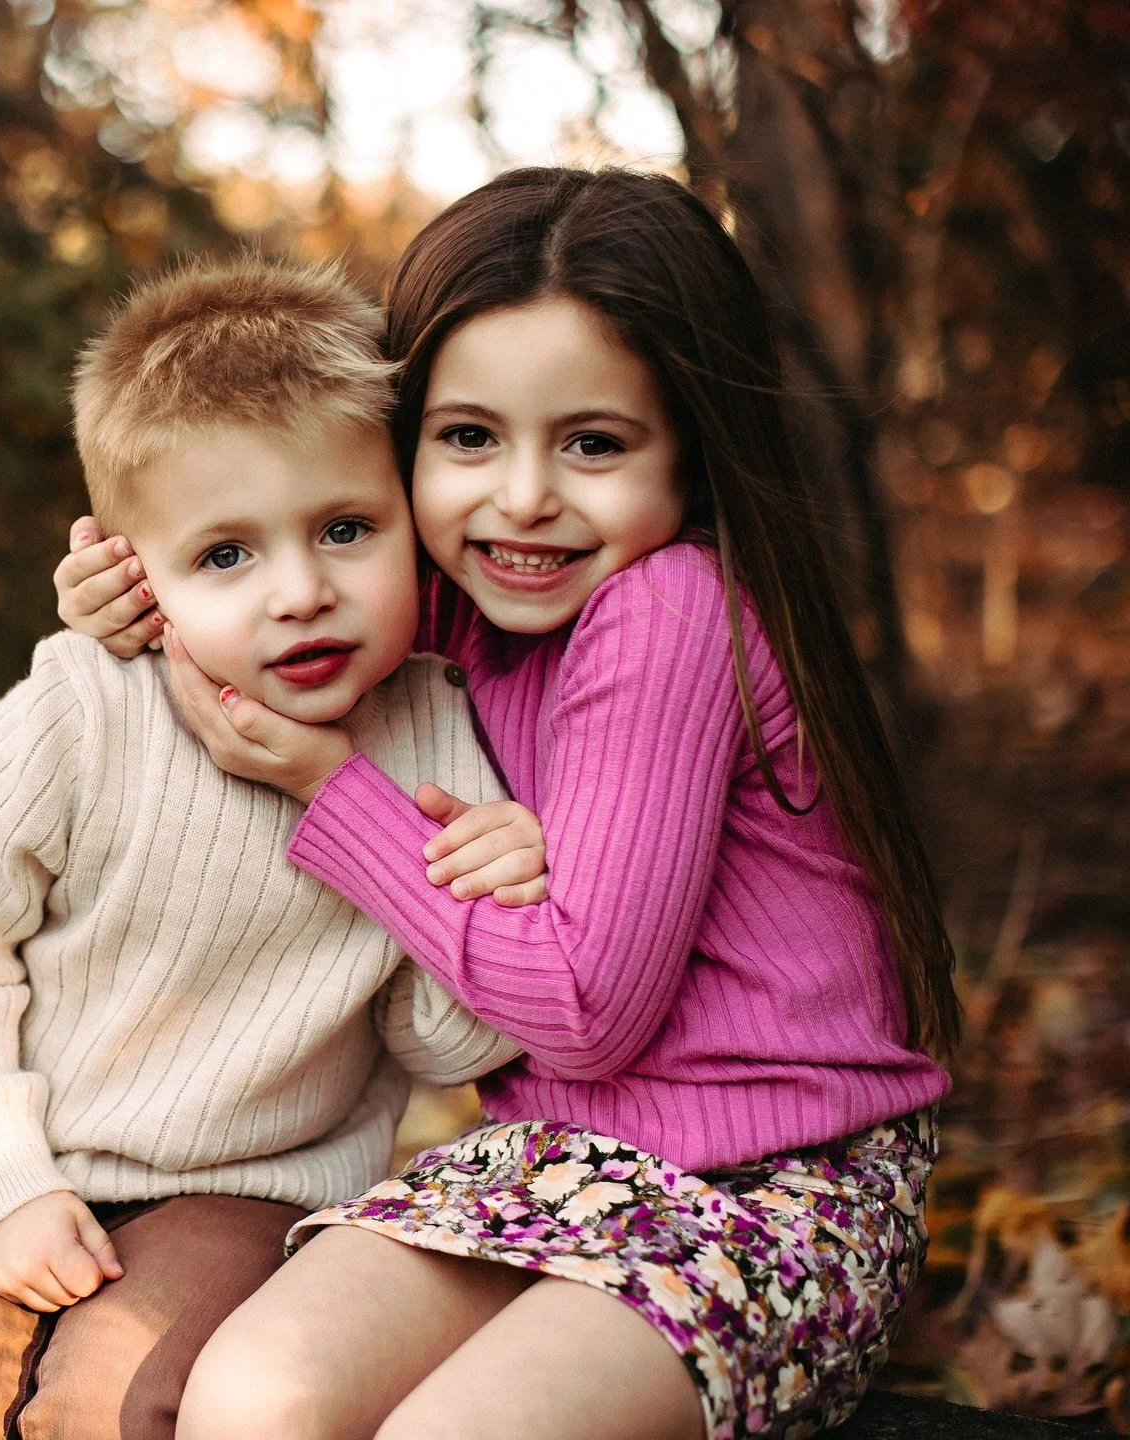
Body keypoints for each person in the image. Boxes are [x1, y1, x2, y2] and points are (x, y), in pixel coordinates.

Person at [54, 168, 960, 1440]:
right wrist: (124, 594)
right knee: (250, 1400)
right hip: (552, 1167)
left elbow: (584, 1010)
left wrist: (335, 789)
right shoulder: (453, 597)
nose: (524, 498)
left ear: (690, 455)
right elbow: (257, 575)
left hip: (773, 1185)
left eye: (594, 444)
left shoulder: (669, 608)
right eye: (469, 437)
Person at [0, 255, 538, 1440]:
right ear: (128, 569)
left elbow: (445, 1045)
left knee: (118, 1404)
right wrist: (4, 1183)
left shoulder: (440, 733)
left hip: (248, 1189)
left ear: (411, 518)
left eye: (345, 529)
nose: (301, 592)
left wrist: (485, 891)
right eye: (226, 555)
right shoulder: (74, 714)